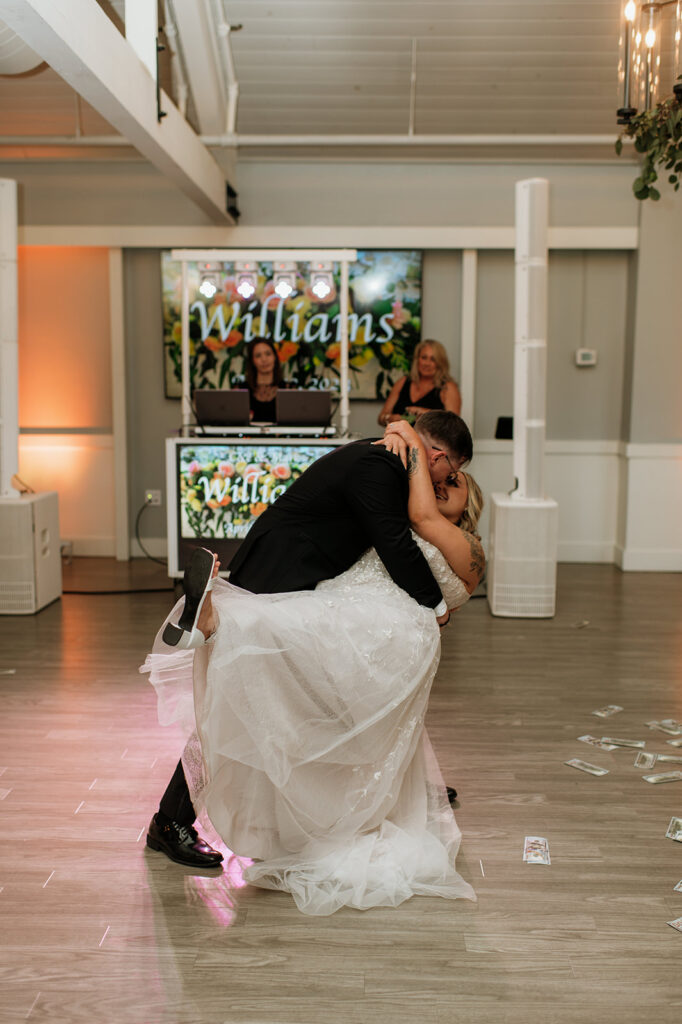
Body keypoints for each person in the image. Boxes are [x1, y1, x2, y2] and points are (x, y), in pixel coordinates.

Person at [143, 418, 484, 915]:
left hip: (319, 587)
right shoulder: (381, 465)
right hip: (285, 566)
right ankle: (171, 819)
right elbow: (393, 541)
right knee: (240, 690)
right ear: (436, 457)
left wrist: (405, 431)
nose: (444, 480)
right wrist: (434, 608)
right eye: (449, 469)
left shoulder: (397, 465)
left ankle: (377, 790)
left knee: (304, 694)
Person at [378, 339, 462, 427]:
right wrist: (388, 418)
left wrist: (428, 414)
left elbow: (454, 425)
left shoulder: (448, 388)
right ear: (417, 360)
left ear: (440, 363)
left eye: (433, 359)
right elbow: (381, 418)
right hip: (398, 439)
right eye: (424, 358)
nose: (427, 363)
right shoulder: (402, 382)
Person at [242, 336, 284, 422]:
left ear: (275, 357)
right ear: (252, 361)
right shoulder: (242, 391)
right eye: (258, 356)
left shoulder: (288, 389)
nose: (264, 359)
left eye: (268, 354)